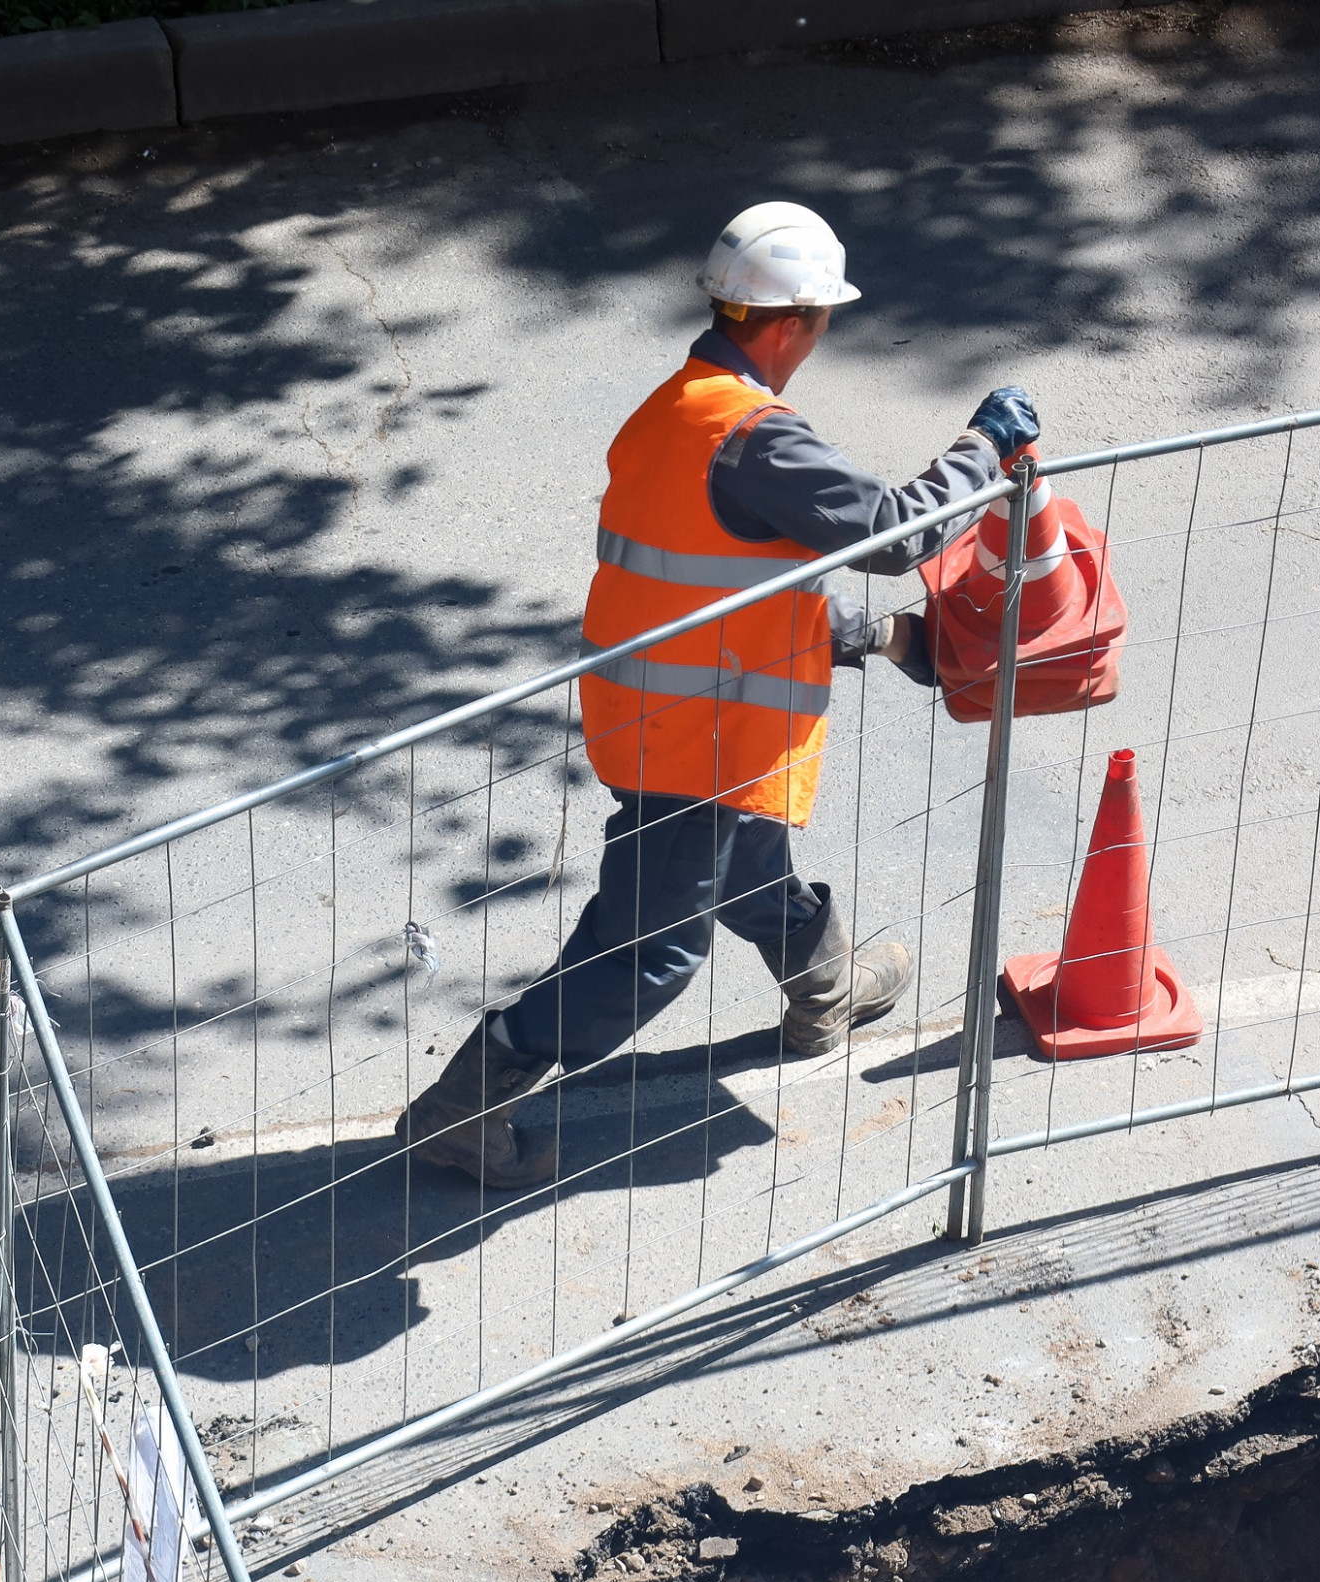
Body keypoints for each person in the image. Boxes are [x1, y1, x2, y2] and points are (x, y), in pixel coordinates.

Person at [398, 202, 1041, 1187]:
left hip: (668, 711)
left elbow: (715, 582)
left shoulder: (674, 410)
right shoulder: (753, 441)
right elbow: (896, 532)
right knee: (649, 953)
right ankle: (464, 1103)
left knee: (746, 860)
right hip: (692, 741)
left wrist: (871, 638)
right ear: (794, 323)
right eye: (824, 321)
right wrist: (982, 446)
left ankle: (822, 987)